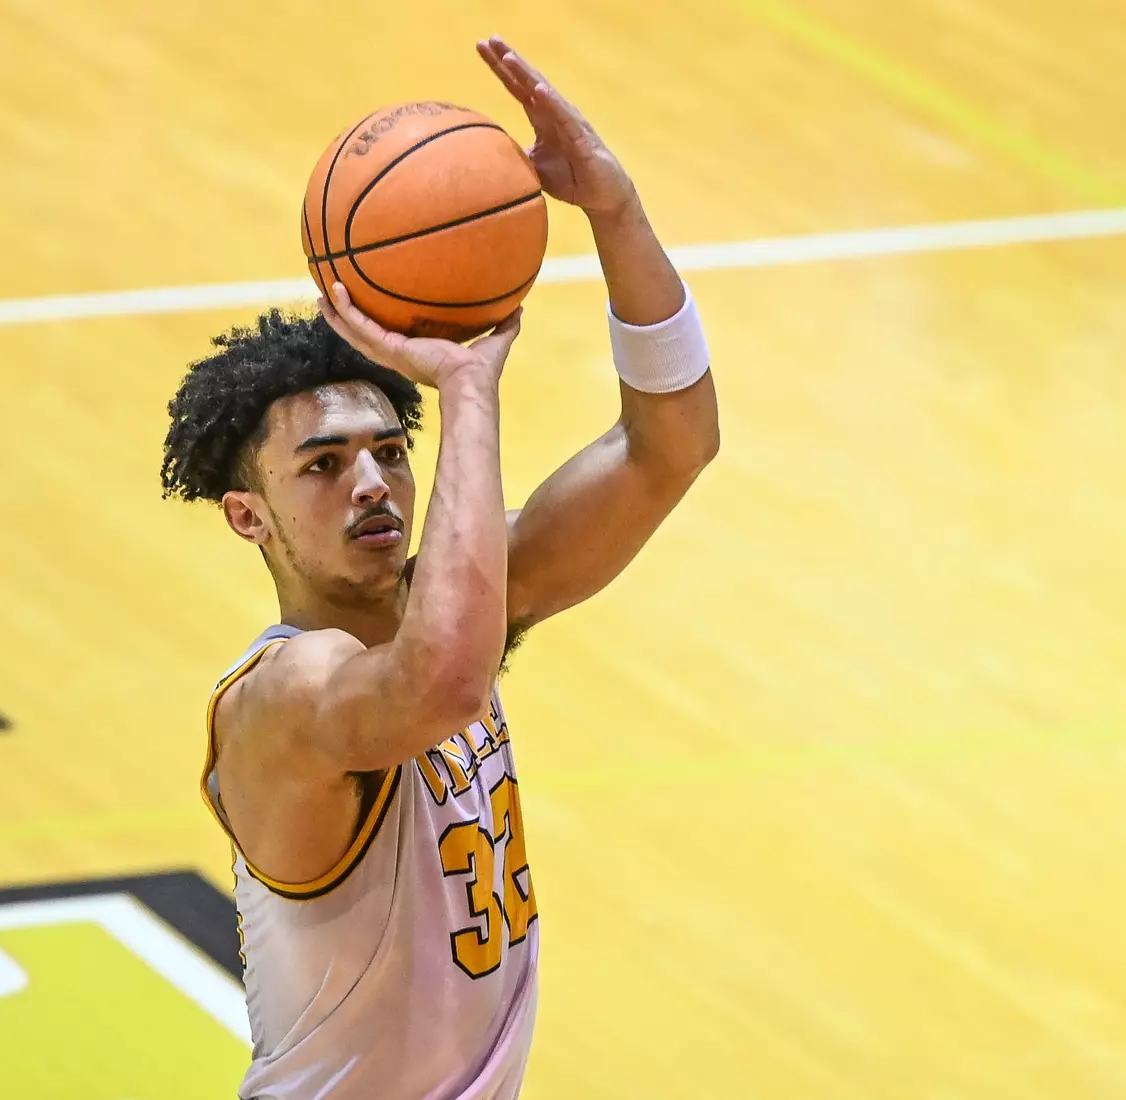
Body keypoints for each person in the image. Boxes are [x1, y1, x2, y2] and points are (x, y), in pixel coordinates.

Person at [160, 35, 721, 1100]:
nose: (371, 481)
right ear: (247, 515)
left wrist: (614, 212)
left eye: (388, 448)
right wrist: (468, 390)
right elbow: (444, 681)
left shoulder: (449, 605)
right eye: (322, 465)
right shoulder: (282, 700)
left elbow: (670, 445)